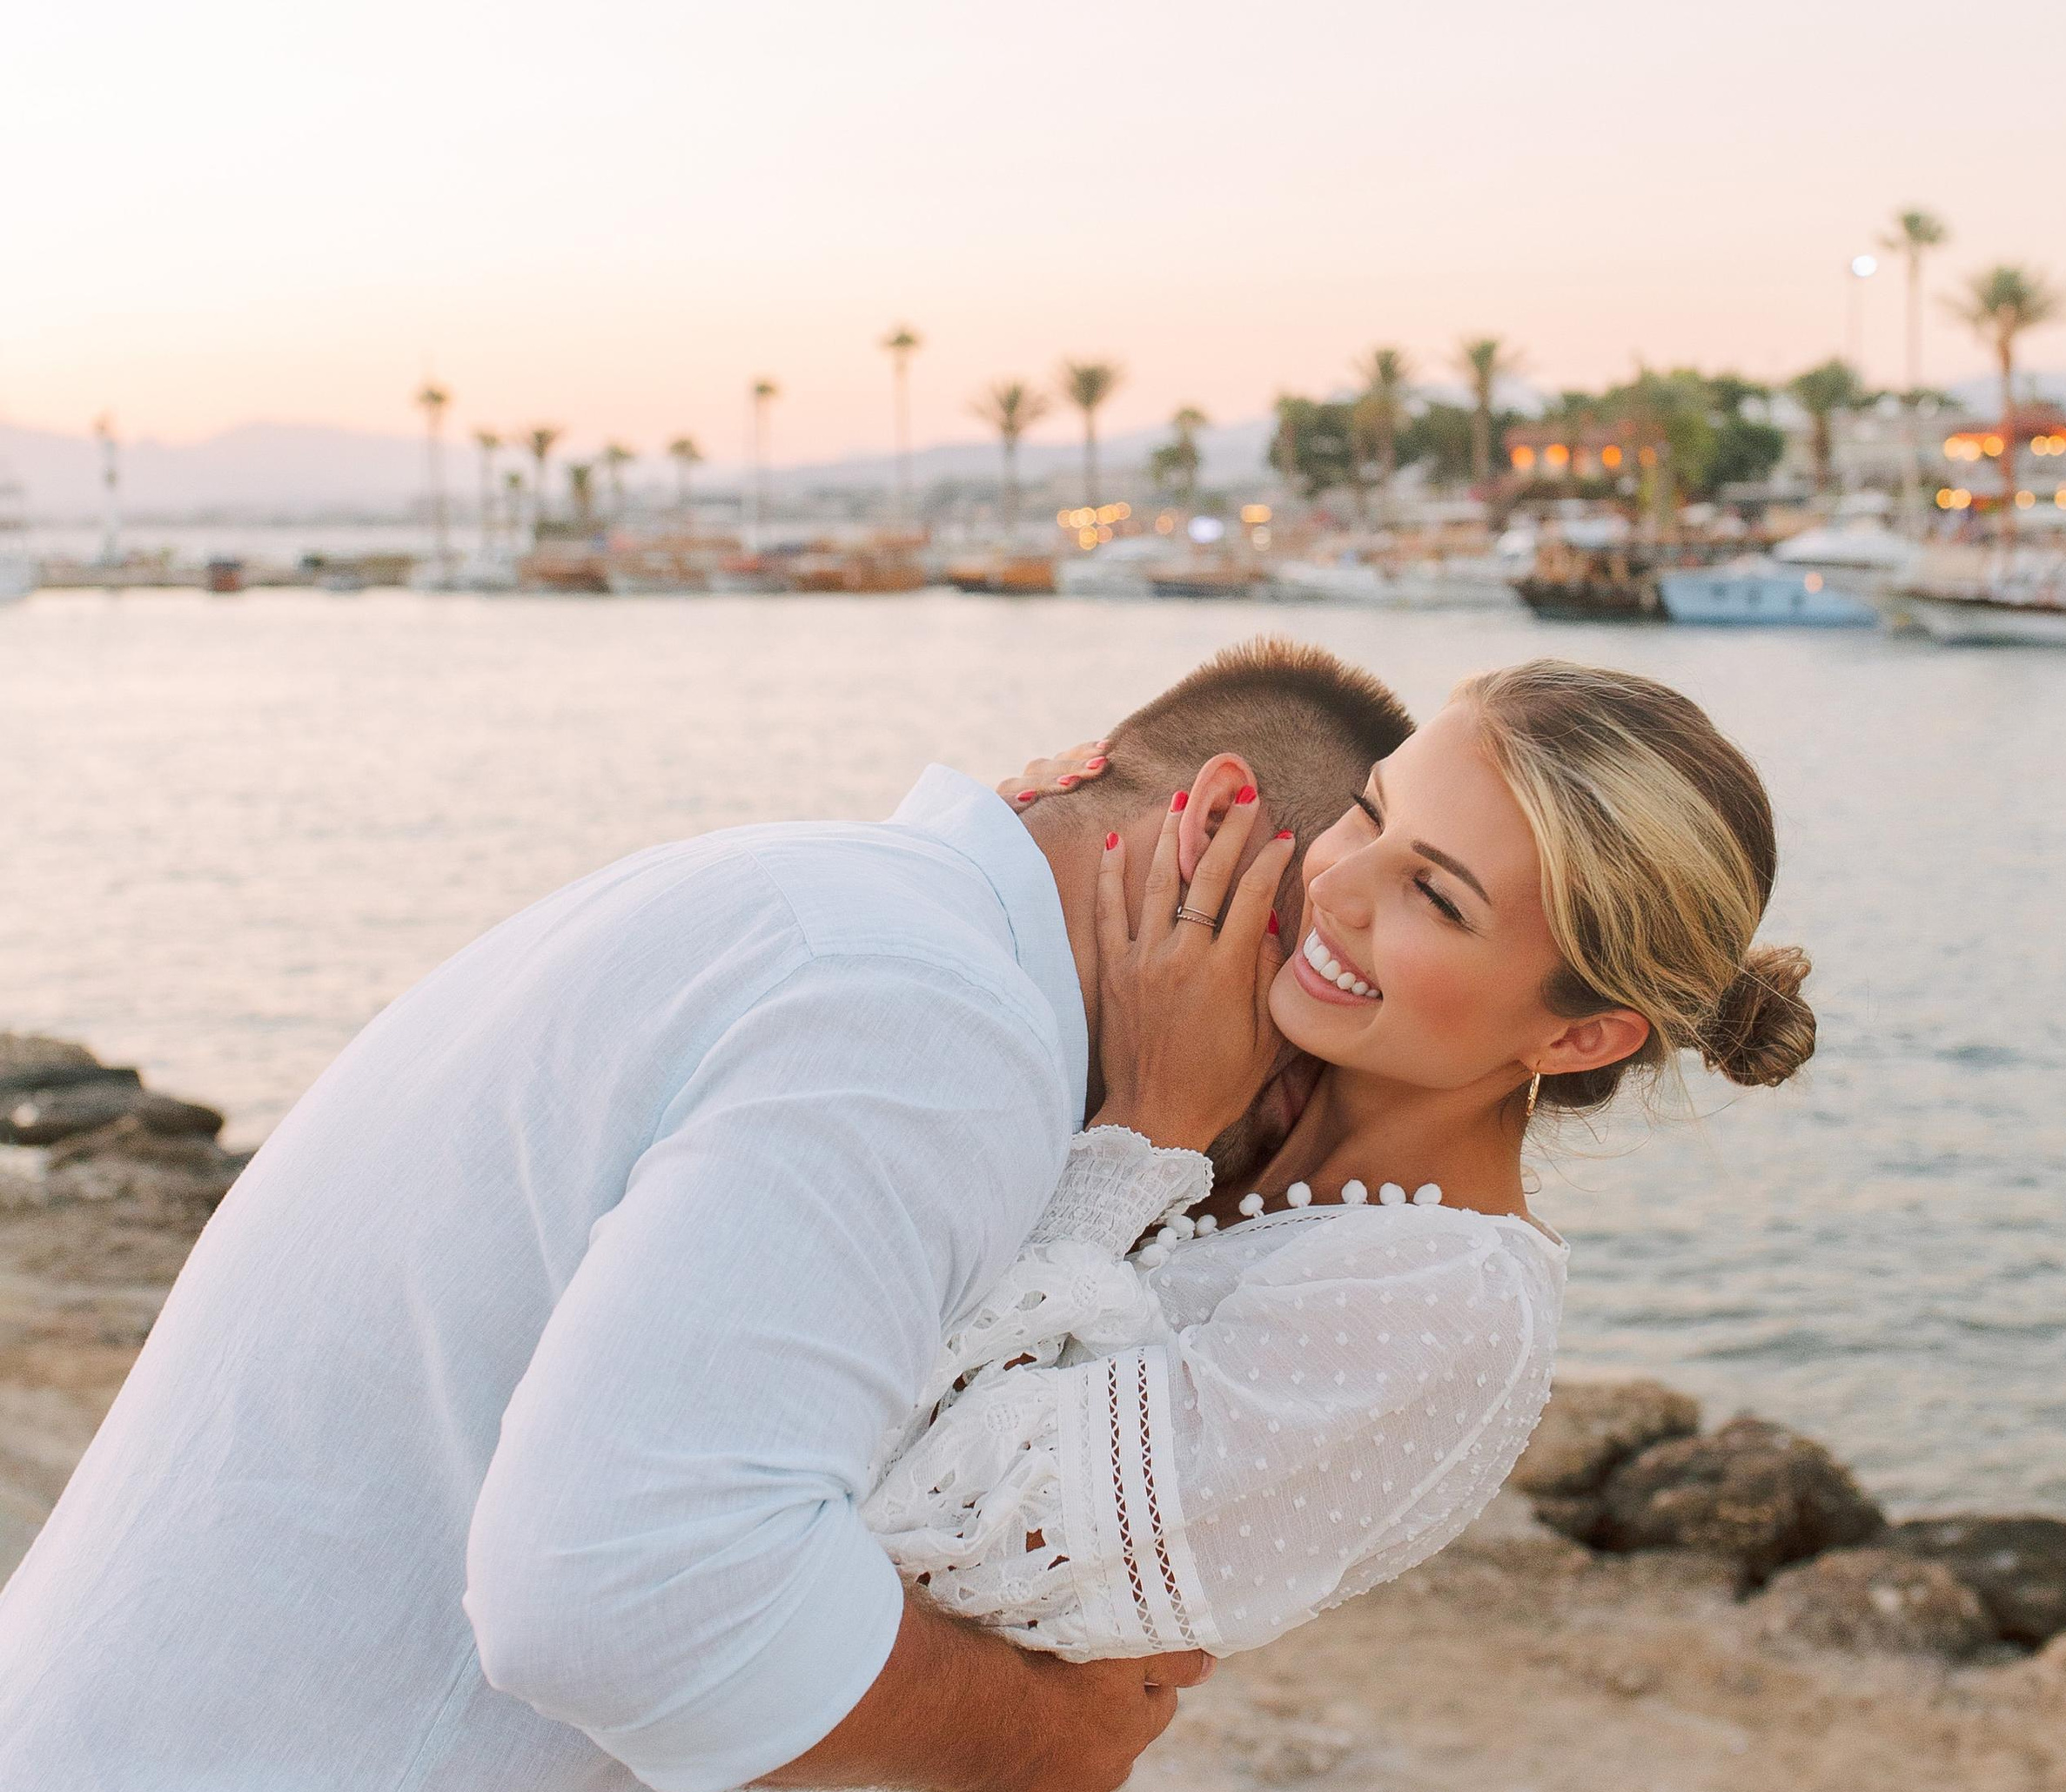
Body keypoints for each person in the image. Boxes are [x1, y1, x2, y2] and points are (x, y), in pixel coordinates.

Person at [0, 639, 1409, 1792]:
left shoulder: (818, 906)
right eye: (1311, 1059)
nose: (1271, 1149)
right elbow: (629, 1589)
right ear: (1216, 835)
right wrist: (1048, 1734)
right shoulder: (924, 1014)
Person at [850, 658, 1814, 1668]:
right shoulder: (1240, 1057)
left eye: (1435, 898)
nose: (1335, 884)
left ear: (1579, 1039)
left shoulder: (1442, 1308)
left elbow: (922, 1545)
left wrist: (1149, 1131)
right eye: (1369, 812)